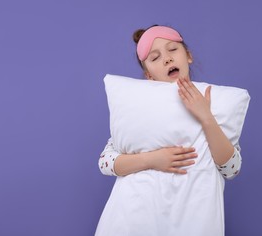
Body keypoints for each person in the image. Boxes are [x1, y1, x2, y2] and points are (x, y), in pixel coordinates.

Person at [95, 25, 245, 236]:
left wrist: (206, 117)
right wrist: (153, 159)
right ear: (148, 75)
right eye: (155, 58)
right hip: (134, 219)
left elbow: (231, 168)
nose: (167, 59)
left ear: (188, 56)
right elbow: (105, 162)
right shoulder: (139, 108)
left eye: (173, 49)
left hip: (192, 220)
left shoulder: (216, 101)